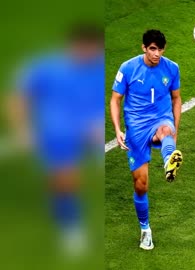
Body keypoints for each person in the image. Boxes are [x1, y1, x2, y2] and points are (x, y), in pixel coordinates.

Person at [8, 22, 104, 257]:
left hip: (92, 129)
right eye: (86, 49)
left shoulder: (101, 67)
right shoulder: (47, 66)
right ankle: (70, 227)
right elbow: (18, 98)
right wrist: (22, 130)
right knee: (65, 178)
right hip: (57, 131)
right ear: (73, 46)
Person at [110, 29, 183, 250]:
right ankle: (145, 229)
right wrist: (117, 130)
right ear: (144, 48)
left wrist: (175, 129)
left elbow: (177, 99)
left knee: (165, 132)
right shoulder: (128, 68)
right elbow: (115, 100)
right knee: (141, 185)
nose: (156, 54)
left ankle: (170, 158)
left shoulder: (172, 68)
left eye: (160, 49)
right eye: (152, 49)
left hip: (161, 117)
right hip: (137, 126)